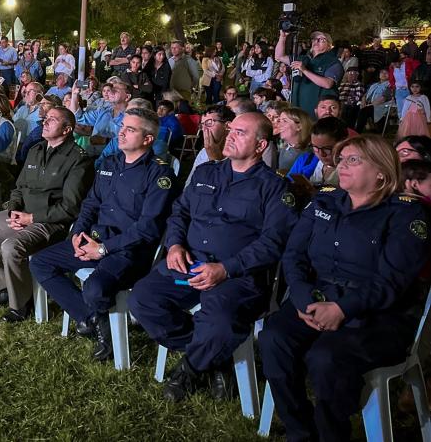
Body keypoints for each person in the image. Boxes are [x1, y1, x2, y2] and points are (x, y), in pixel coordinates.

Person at [258, 135, 429, 442]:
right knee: (273, 338)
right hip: (316, 297)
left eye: (354, 160)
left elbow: (391, 282)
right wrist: (301, 298)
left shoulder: (405, 214)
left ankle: (331, 432)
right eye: (342, 160)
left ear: (381, 172)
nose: (343, 166)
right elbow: (294, 256)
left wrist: (342, 309)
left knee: (326, 358)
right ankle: (299, 430)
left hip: (378, 313)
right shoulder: (324, 201)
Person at [129, 112, 297, 402]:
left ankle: (190, 369)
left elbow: (274, 242)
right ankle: (217, 359)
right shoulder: (207, 172)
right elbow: (179, 212)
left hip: (238, 277)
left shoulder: (275, 187)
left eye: (241, 132)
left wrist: (226, 269)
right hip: (187, 264)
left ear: (260, 146)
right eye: (231, 129)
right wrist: (174, 245)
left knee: (220, 321)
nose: (230, 135)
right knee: (143, 299)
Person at [31, 108, 178, 359]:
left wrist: (103, 249)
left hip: (128, 249)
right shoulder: (110, 163)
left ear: (148, 139)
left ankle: (98, 324)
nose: (121, 132)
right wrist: (77, 234)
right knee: (40, 262)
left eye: (130, 129)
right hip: (94, 239)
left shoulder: (160, 173)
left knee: (95, 290)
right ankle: (95, 321)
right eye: (122, 126)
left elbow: (147, 228)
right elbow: (90, 204)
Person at [0, 106, 94, 322]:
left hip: (51, 222)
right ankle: (4, 285)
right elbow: (19, 187)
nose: (45, 122)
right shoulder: (36, 150)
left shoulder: (78, 159)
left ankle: (21, 305)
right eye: (46, 118)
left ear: (67, 129)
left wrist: (31, 218)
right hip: (22, 214)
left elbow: (70, 207)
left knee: (10, 247)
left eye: (52, 120)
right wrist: (14, 208)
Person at [275, 30, 343, 118]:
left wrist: (304, 70)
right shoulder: (303, 58)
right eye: (314, 39)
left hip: (317, 113)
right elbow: (279, 56)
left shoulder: (333, 62)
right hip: (297, 110)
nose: (316, 41)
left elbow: (328, 84)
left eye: (321, 40)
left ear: (329, 45)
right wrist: (282, 37)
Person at [287, 116, 347, 190]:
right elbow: (286, 186)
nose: (321, 154)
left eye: (327, 149)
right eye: (315, 147)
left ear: (343, 143)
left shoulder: (350, 171)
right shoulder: (305, 160)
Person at [184, 104, 236, 187]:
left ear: (228, 126)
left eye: (209, 123)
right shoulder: (204, 152)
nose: (204, 129)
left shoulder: (238, 155)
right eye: (202, 125)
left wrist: (214, 161)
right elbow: (189, 184)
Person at [276, 107, 313, 174]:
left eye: (284, 121)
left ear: (299, 126)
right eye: (279, 121)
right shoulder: (285, 148)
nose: (279, 125)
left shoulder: (309, 153)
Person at [355, 67, 393, 133]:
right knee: (353, 107)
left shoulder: (390, 85)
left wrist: (369, 105)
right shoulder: (374, 85)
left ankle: (357, 131)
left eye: (386, 73)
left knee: (364, 110)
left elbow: (383, 98)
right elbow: (365, 95)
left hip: (381, 106)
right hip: (369, 105)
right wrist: (363, 102)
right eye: (382, 72)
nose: (383, 74)